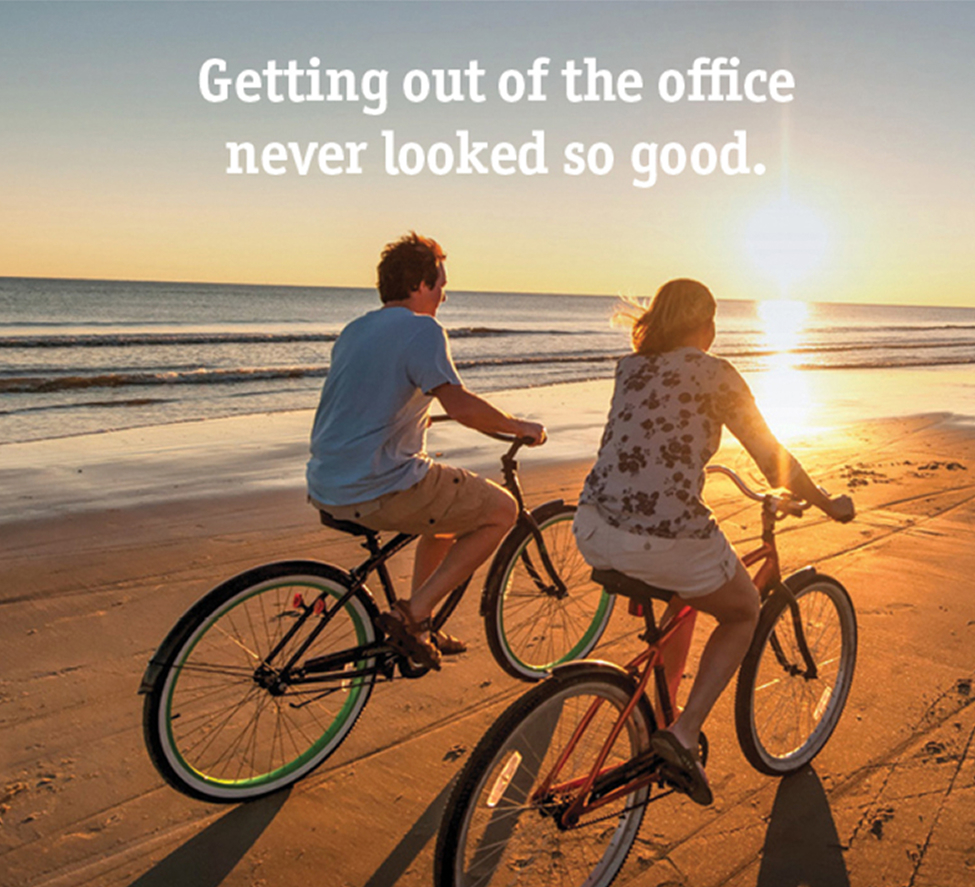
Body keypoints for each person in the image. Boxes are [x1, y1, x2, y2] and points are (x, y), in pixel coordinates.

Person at [573, 278, 854, 805]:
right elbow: (773, 459)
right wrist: (827, 504)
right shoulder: (715, 372)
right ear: (706, 325)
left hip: (592, 525)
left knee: (687, 587)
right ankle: (682, 734)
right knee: (743, 608)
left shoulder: (630, 368)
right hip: (661, 538)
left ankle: (665, 706)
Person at [307, 232, 546, 670]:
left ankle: (423, 625)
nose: (444, 295)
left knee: (442, 508)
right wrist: (517, 426)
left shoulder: (355, 330)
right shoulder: (422, 329)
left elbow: (367, 399)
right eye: (439, 284)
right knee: (501, 510)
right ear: (419, 284)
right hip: (376, 485)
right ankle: (412, 614)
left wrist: (417, 419)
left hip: (327, 481)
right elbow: (460, 403)